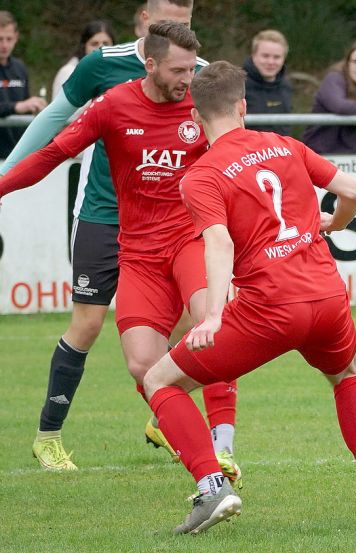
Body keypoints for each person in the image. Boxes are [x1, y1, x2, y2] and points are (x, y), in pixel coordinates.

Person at [140, 60, 356, 534]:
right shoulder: (284, 145)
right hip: (327, 298)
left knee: (159, 382)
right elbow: (352, 189)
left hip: (269, 308)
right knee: (345, 374)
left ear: (195, 119)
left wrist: (210, 317)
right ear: (243, 107)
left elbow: (219, 241)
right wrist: (337, 222)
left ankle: (212, 487)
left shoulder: (200, 176)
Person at [0, 12, 241, 483]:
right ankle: (63, 432)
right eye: (178, 71)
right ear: (149, 64)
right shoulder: (112, 103)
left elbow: (241, 156)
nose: (188, 80)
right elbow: (53, 153)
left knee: (216, 328)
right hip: (134, 248)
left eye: (193, 70)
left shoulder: (199, 104)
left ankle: (221, 450)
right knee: (141, 364)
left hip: (189, 241)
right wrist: (3, 185)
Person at [0, 11, 47, 158]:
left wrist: (35, 106)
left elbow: (25, 105)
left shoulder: (19, 68)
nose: (4, 45)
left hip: (16, 155)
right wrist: (16, 106)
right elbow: (20, 105)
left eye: (9, 39)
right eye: (0, 39)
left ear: (16, 38)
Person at [243, 29, 292, 136]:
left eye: (277, 57)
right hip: (248, 150)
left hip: (281, 150)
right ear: (253, 55)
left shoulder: (286, 87)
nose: (271, 62)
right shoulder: (237, 85)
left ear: (284, 58)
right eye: (265, 56)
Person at [52, 21, 116, 100]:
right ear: (84, 47)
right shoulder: (68, 72)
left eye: (106, 43)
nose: (101, 48)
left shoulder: (119, 73)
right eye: (94, 44)